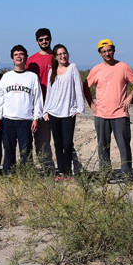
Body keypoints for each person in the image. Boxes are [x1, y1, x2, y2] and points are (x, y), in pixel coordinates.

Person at [84, 39, 133, 175]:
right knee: (103, 146)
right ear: (100, 54)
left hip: (120, 113)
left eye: (109, 50)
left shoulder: (123, 66)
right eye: (104, 52)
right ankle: (105, 173)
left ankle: (127, 174)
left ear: (114, 50)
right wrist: (91, 104)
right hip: (101, 113)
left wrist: (130, 96)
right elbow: (85, 86)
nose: (107, 53)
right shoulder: (96, 69)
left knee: (124, 146)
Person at [0, 45, 44, 173]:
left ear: (26, 57)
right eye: (16, 54)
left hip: (26, 120)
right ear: (12, 58)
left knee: (26, 150)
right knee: (9, 149)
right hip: (8, 119)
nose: (18, 57)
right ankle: (8, 174)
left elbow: (38, 98)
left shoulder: (32, 77)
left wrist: (36, 118)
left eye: (21, 54)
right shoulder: (7, 76)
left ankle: (25, 174)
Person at [43, 44, 85, 180]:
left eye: (64, 53)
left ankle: (68, 172)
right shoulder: (52, 71)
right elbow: (49, 93)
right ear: (55, 57)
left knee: (67, 143)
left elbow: (78, 87)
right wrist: (45, 111)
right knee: (57, 143)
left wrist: (80, 108)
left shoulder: (72, 67)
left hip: (68, 112)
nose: (62, 56)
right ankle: (61, 172)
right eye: (59, 54)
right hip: (53, 112)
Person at [26, 27, 55, 172]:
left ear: (50, 38)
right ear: (37, 42)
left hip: (56, 105)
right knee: (42, 141)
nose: (44, 41)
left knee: (63, 140)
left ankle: (68, 169)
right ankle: (48, 170)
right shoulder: (31, 60)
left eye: (46, 38)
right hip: (38, 104)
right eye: (41, 39)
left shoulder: (58, 57)